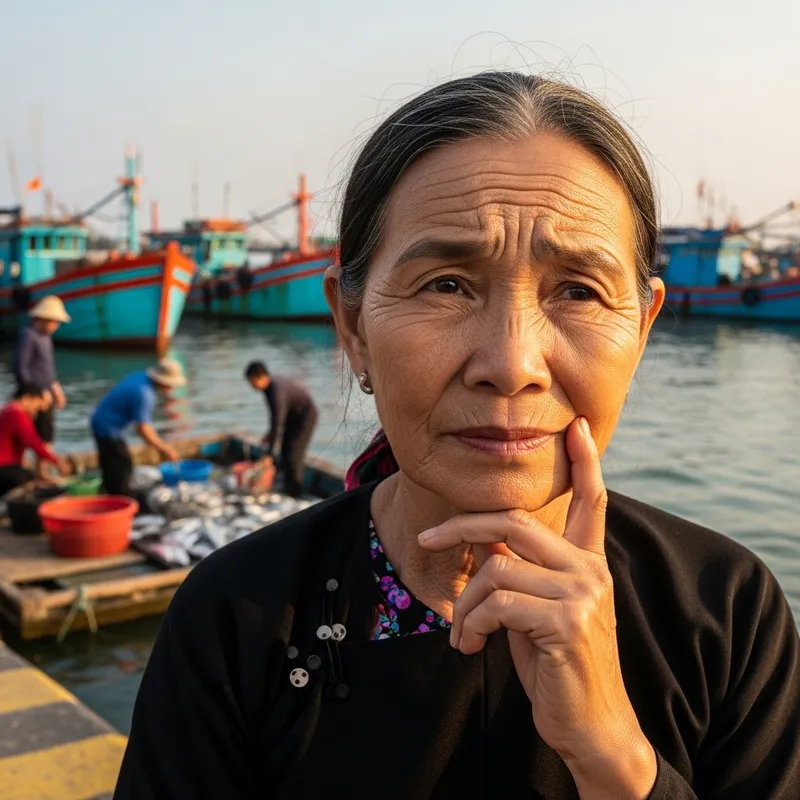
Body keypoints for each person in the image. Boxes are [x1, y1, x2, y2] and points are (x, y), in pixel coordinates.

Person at [115, 73, 800, 799]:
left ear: (641, 328)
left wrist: (614, 756)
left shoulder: (724, 611)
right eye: (446, 284)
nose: (511, 365)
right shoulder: (238, 614)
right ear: (353, 329)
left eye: (578, 291)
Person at [90, 360, 183, 497]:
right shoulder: (144, 393)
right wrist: (165, 449)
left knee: (111, 465)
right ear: (164, 383)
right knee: (121, 467)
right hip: (107, 428)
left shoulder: (141, 376)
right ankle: (119, 500)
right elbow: (143, 429)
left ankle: (108, 491)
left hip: (100, 419)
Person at [13, 295, 71, 479]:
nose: (56, 326)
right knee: (25, 435)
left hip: (45, 396)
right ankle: (23, 471)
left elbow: (49, 369)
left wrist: (57, 391)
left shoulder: (45, 338)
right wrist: (37, 394)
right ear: (45, 319)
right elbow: (21, 368)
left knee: (46, 435)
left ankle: (42, 472)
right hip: (31, 396)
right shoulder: (28, 335)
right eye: (55, 322)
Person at [244, 361, 318, 498]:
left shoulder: (276, 392)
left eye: (252, 382)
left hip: (305, 418)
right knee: (285, 450)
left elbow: (277, 424)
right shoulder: (268, 387)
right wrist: (269, 436)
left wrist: (268, 455)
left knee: (294, 455)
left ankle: (295, 493)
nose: (252, 386)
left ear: (260, 377)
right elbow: (275, 420)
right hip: (292, 417)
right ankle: (287, 486)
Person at [0, 384, 70, 495]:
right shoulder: (17, 414)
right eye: (36, 404)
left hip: (7, 467)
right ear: (27, 398)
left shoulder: (7, 410)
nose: (36, 409)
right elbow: (34, 443)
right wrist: (56, 461)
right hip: (4, 468)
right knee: (32, 483)